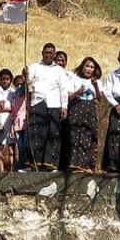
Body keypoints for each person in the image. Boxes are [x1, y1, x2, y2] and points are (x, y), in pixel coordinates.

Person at [22, 43, 70, 172]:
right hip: (38, 102)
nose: (48, 55)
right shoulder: (34, 67)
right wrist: (25, 74)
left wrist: (64, 106)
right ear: (42, 53)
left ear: (54, 54)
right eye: (46, 52)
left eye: (51, 53)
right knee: (36, 134)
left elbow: (63, 89)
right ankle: (33, 165)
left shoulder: (59, 70)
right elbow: (28, 82)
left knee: (53, 134)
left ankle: (50, 164)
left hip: (54, 104)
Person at [66, 56, 102, 172]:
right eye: (87, 66)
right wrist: (78, 92)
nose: (89, 69)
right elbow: (69, 97)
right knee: (75, 137)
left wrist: (95, 86)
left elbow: (100, 99)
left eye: (92, 67)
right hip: (76, 109)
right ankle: (74, 164)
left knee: (88, 137)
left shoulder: (96, 82)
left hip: (90, 111)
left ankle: (85, 165)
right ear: (82, 67)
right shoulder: (74, 79)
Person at [0, 68, 16, 171]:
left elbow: (15, 107)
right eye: (2, 79)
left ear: (10, 80)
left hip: (10, 120)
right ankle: (1, 169)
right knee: (0, 146)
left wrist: (7, 109)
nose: (5, 81)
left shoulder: (13, 92)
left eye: (7, 79)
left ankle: (12, 168)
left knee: (11, 146)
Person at [10, 74, 28, 171]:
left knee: (25, 145)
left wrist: (25, 78)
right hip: (17, 124)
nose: (19, 87)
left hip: (25, 122)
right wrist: (12, 127)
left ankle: (26, 164)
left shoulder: (26, 96)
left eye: (21, 84)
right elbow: (13, 113)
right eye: (17, 85)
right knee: (20, 146)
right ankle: (21, 164)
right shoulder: (14, 98)